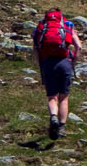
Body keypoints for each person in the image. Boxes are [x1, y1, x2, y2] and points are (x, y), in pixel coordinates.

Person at [32, 9, 83, 138]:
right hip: (64, 62)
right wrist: (73, 62)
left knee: (52, 97)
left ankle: (53, 117)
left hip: (48, 64)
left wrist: (41, 66)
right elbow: (79, 46)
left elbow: (36, 50)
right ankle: (61, 127)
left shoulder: (40, 28)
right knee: (64, 97)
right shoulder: (67, 26)